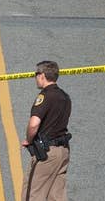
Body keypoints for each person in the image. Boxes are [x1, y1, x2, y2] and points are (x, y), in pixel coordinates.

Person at [21, 60, 72, 201]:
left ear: (42, 75)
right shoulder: (65, 97)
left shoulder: (45, 96)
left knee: (32, 194)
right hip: (63, 151)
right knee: (56, 196)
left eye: (36, 74)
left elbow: (33, 124)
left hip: (46, 153)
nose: (35, 78)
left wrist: (29, 140)